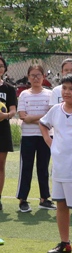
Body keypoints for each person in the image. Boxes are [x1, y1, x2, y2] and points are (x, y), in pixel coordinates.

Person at [39, 74, 72, 253]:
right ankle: (65, 243)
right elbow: (43, 123)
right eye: (64, 88)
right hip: (60, 167)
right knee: (61, 204)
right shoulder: (55, 110)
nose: (67, 92)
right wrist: (48, 140)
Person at [16, 63, 54, 212]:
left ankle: (44, 198)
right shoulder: (24, 94)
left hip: (45, 136)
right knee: (26, 167)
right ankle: (22, 200)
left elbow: (51, 117)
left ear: (44, 77)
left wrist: (33, 118)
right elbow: (23, 116)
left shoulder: (50, 94)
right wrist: (41, 118)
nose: (36, 78)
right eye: (33, 75)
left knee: (43, 168)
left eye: (39, 75)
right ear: (28, 77)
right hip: (28, 136)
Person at [0, 56, 17, 211]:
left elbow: (13, 111)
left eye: (1, 65)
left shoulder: (9, 88)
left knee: (0, 165)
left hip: (2, 130)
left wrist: (4, 116)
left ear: (5, 68)